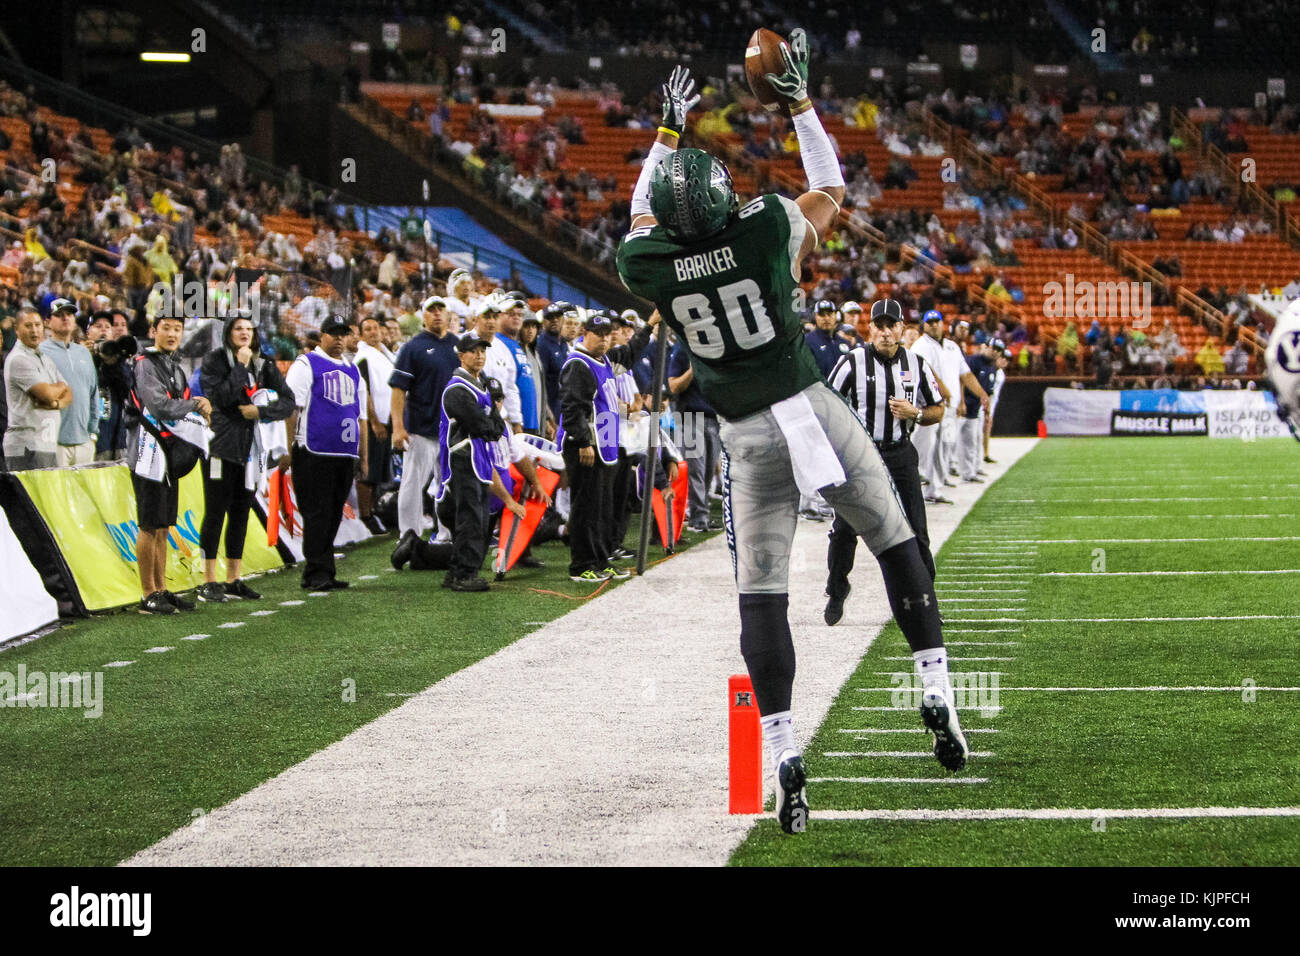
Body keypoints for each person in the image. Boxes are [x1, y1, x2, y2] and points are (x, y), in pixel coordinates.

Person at [616, 49, 968, 836]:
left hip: (745, 435)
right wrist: (800, 102)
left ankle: (781, 746)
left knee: (762, 590)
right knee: (893, 535)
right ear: (723, 199)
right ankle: (935, 682)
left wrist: (667, 132)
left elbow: (641, 208)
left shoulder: (648, 261)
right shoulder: (766, 226)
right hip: (810, 407)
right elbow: (833, 188)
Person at [824, 297, 944, 624]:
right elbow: (827, 407)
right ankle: (836, 588)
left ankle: (927, 601)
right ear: (870, 328)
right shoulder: (852, 363)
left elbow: (937, 408)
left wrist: (916, 413)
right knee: (845, 529)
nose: (886, 332)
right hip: (861, 456)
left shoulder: (916, 363)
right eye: (880, 325)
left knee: (916, 529)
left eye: (892, 325)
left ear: (902, 328)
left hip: (900, 452)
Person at [197, 314, 294, 603]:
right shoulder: (215, 360)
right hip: (219, 446)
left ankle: (234, 579)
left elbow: (288, 401)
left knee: (240, 511)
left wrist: (260, 412)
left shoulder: (264, 362)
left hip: (250, 450)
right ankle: (208, 580)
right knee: (215, 511)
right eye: (238, 328)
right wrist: (239, 365)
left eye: (249, 329)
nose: (244, 333)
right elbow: (220, 398)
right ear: (228, 333)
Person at [557, 309, 654, 582]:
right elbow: (572, 407)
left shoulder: (605, 361)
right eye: (597, 334)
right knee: (586, 507)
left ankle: (601, 559)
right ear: (584, 334)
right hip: (588, 445)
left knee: (601, 507)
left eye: (606, 335)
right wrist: (582, 442)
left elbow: (630, 351)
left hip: (607, 443)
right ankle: (582, 565)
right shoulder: (578, 364)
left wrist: (649, 326)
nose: (603, 340)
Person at [127, 314, 212, 614]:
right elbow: (160, 405)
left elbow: (177, 404)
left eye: (178, 329)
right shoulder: (144, 363)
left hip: (167, 453)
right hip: (147, 452)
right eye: (167, 328)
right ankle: (147, 593)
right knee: (149, 525)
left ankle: (162, 588)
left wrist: (192, 407)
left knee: (163, 526)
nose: (173, 333)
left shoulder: (175, 366)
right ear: (153, 331)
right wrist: (197, 404)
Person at [284, 316, 369, 591]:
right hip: (313, 450)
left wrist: (363, 455)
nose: (338, 340)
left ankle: (325, 569)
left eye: (343, 334)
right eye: (333, 334)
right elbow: (291, 408)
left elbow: (361, 416)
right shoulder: (306, 364)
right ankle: (315, 570)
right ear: (322, 336)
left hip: (343, 452)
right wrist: (289, 447)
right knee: (317, 511)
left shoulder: (354, 370)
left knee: (333, 512)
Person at [389, 295, 460, 568]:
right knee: (412, 484)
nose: (438, 313)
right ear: (423, 315)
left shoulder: (457, 344)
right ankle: (408, 535)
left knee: (447, 485)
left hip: (451, 431)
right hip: (421, 428)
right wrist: (398, 427)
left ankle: (445, 535)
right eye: (432, 309)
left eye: (442, 308)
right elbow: (399, 389)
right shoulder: (413, 347)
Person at [436, 335, 507, 591]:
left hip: (476, 456)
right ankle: (464, 574)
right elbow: (479, 424)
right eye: (472, 351)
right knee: (470, 517)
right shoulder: (457, 388)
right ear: (461, 355)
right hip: (461, 457)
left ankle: (457, 571)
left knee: (477, 515)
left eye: (482, 351)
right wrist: (492, 425)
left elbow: (495, 422)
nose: (479, 355)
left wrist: (492, 424)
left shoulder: (479, 385)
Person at [667, 329, 722, 533]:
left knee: (708, 471)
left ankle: (702, 514)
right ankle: (698, 518)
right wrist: (692, 370)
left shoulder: (715, 348)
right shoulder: (682, 348)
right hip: (689, 415)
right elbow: (673, 386)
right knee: (695, 471)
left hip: (712, 416)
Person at [3, 307, 71, 471]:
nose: (34, 330)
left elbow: (68, 393)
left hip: (46, 445)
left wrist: (55, 403)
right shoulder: (19, 359)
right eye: (28, 326)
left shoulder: (44, 358)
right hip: (27, 446)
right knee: (29, 497)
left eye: (37, 325)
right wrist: (58, 388)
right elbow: (46, 394)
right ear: (17, 330)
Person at [39, 299, 100, 467]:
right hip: (53, 442)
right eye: (59, 315)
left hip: (84, 441)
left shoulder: (84, 353)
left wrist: (93, 433)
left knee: (83, 493)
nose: (66, 318)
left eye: (70, 314)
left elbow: (94, 393)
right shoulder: (41, 352)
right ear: (48, 321)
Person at [907, 311, 954, 502]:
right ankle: (919, 482)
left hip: (937, 403)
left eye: (937, 321)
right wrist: (943, 390)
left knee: (938, 446)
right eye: (930, 322)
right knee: (923, 446)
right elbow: (927, 369)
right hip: (923, 403)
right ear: (923, 326)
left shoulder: (948, 346)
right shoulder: (921, 345)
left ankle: (933, 487)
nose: (934, 325)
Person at [354, 315, 396, 533]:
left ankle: (372, 513)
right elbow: (364, 391)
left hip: (388, 419)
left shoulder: (384, 355)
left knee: (379, 470)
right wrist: (374, 422)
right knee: (368, 470)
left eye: (375, 327)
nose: (372, 332)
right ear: (361, 335)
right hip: (374, 422)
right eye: (367, 329)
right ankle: (365, 515)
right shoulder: (363, 357)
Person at [958, 340, 997, 482]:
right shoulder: (973, 361)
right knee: (948, 442)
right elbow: (962, 380)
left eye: (998, 349)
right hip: (962, 408)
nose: (995, 352)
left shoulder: (992, 367)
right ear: (985, 347)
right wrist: (961, 401)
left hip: (975, 410)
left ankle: (969, 472)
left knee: (972, 441)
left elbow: (988, 393)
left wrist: (987, 412)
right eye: (993, 348)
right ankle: (953, 470)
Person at [536, 300, 575, 430]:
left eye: (557, 317)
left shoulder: (563, 343)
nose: (554, 320)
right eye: (550, 318)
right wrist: (547, 414)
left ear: (563, 318)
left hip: (566, 409)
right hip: (552, 410)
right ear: (543, 321)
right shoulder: (541, 345)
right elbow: (540, 382)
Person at [805, 299, 848, 378]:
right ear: (815, 317)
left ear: (835, 316)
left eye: (829, 314)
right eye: (822, 315)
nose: (826, 318)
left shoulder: (845, 343)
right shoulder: (807, 342)